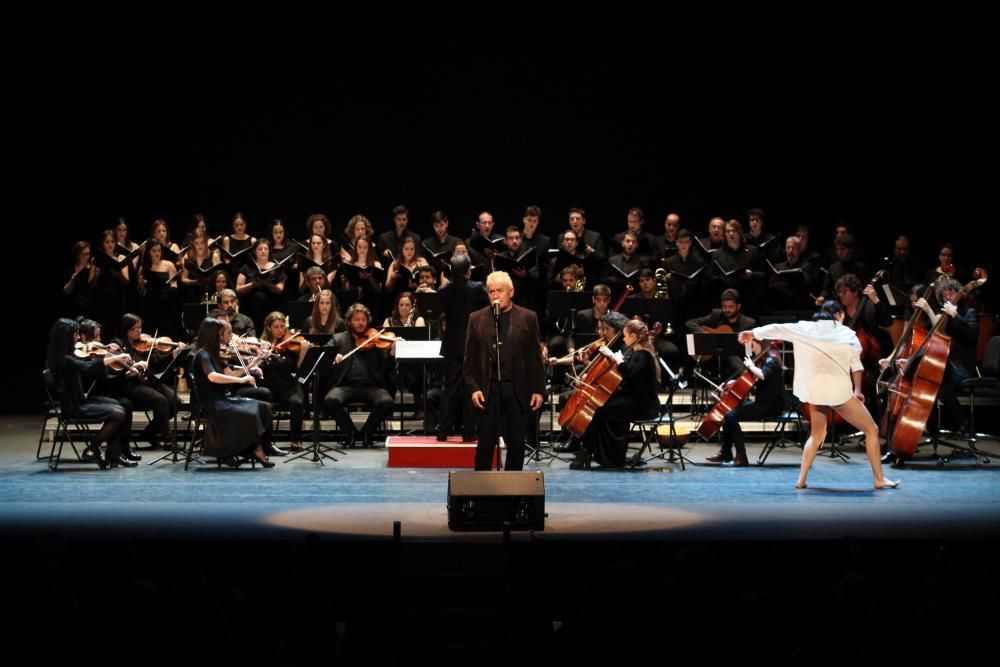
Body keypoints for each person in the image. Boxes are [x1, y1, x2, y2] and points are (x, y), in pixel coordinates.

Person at [738, 303, 899, 489]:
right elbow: (856, 366)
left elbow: (778, 328)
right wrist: (857, 390)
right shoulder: (847, 333)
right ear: (837, 317)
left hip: (815, 391)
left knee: (815, 435)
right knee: (871, 430)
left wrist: (754, 333)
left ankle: (801, 480)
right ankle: (879, 479)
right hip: (838, 392)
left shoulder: (804, 328)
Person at [464, 271, 545, 471]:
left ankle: (512, 492)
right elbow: (469, 361)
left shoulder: (527, 317)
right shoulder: (476, 319)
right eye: (491, 291)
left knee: (517, 445)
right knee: (484, 446)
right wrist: (474, 388)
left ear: (511, 292)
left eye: (500, 291)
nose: (495, 296)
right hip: (487, 390)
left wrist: (538, 389)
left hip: (516, 390)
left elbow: (535, 357)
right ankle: (482, 492)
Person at [569, 318, 660, 469]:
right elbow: (624, 378)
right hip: (634, 401)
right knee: (603, 408)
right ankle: (607, 456)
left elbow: (627, 371)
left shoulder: (642, 354)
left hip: (643, 406)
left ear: (633, 336)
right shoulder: (637, 354)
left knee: (600, 411)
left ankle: (590, 453)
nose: (624, 338)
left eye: (625, 335)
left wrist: (616, 358)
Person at [46, 318, 135, 469]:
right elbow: (86, 367)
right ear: (66, 337)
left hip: (80, 398)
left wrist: (106, 350)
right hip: (74, 407)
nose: (77, 338)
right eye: (74, 335)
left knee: (121, 407)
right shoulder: (64, 359)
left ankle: (114, 455)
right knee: (118, 414)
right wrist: (113, 357)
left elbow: (86, 362)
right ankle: (92, 448)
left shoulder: (67, 354)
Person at [190, 318, 274, 467]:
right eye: (223, 334)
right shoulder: (203, 355)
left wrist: (258, 360)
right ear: (214, 335)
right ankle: (253, 449)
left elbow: (232, 374)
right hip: (213, 404)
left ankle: (254, 449)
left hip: (223, 399)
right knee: (250, 413)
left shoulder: (214, 354)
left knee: (263, 406)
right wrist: (241, 381)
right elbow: (213, 377)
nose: (226, 337)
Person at [323, 303, 397, 449]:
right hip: (345, 386)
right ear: (349, 321)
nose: (361, 322)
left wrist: (393, 352)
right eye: (357, 319)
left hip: (371, 386)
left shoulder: (375, 339)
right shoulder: (339, 339)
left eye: (363, 319)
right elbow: (324, 355)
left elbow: (386, 366)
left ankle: (366, 434)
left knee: (386, 401)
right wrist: (333, 357)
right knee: (330, 400)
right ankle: (350, 433)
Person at [704, 338, 785, 467]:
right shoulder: (763, 360)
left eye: (752, 345)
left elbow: (763, 375)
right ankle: (726, 453)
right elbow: (757, 384)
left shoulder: (771, 359)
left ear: (761, 343)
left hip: (770, 405)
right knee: (729, 412)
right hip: (763, 402)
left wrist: (751, 366)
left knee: (731, 416)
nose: (751, 348)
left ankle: (741, 456)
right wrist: (731, 384)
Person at [436, 253, 489, 441]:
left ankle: (443, 431)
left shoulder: (443, 291)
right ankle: (468, 432)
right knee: (471, 389)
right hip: (471, 346)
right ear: (469, 270)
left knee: (449, 389)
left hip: (451, 346)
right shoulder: (477, 289)